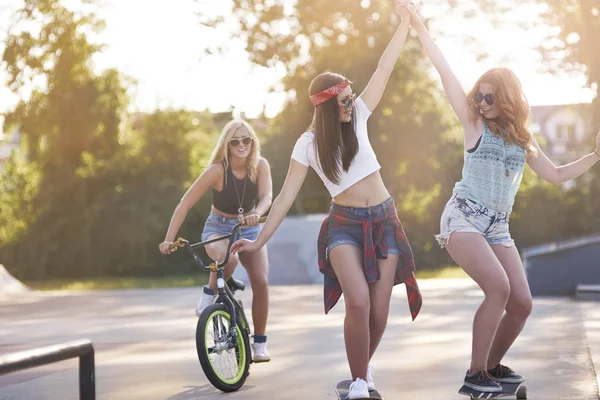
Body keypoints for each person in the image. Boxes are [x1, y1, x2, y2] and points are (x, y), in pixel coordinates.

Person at [230, 2, 422, 398]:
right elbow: (283, 198)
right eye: (345, 99)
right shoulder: (308, 145)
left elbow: (384, 68)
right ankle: (356, 383)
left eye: (352, 96)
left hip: (384, 219)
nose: (353, 103)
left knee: (381, 310)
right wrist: (258, 241)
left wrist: (405, 23)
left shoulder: (362, 116)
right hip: (344, 226)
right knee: (358, 303)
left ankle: (363, 369)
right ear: (327, 105)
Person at [406, 5, 600, 393]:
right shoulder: (472, 123)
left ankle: (491, 365)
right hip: (463, 219)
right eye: (478, 94)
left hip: (497, 226)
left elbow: (556, 175)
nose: (481, 100)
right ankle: (475, 374)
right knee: (499, 289)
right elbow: (445, 72)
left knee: (522, 302)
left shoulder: (524, 139)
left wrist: (595, 155)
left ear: (507, 97)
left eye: (489, 96)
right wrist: (421, 29)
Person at [158, 119, 273, 362]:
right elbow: (185, 204)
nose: (242, 144)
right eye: (235, 141)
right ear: (227, 144)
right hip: (218, 227)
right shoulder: (217, 171)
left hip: (250, 229)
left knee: (261, 281)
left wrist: (256, 213)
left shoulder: (260, 166)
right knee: (227, 260)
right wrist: (168, 239)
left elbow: (267, 197)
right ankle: (209, 294)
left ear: (253, 141)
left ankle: (260, 344)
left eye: (246, 139)